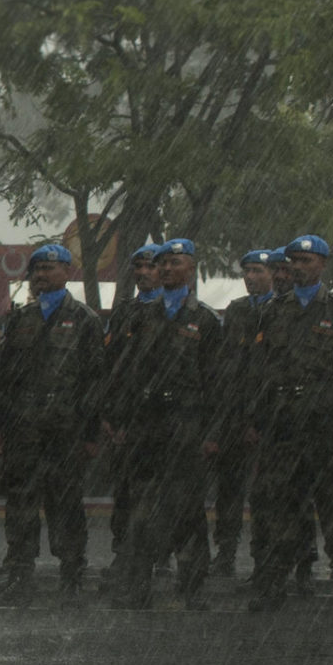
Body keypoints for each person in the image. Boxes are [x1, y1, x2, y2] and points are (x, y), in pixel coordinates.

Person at [0, 244, 104, 603]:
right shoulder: (21, 318)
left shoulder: (85, 319)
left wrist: (90, 432)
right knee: (20, 503)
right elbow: (5, 377)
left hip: (64, 429)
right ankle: (19, 575)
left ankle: (72, 577)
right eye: (36, 269)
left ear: (68, 272)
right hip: (24, 429)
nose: (40, 275)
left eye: (49, 268)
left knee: (65, 503)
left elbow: (95, 380)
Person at [109, 239, 222, 610]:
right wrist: (119, 420)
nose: (166, 269)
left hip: (186, 424)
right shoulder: (140, 317)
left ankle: (192, 587)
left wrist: (211, 433)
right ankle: (137, 586)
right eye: (162, 264)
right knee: (141, 507)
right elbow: (125, 374)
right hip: (146, 423)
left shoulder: (204, 320)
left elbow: (217, 381)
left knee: (188, 508)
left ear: (190, 267)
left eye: (174, 263)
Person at [247, 235, 333, 611]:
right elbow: (258, 370)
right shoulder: (274, 310)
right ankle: (272, 587)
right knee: (279, 509)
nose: (298, 266)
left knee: (331, 508)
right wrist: (255, 418)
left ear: (323, 265)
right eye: (294, 260)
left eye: (306, 260)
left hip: (325, 427)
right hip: (282, 428)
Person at [101, 243, 166, 580]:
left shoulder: (176, 310)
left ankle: (160, 555)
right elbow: (113, 368)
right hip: (128, 416)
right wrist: (112, 417)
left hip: (164, 416)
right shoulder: (124, 312)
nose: (143, 273)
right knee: (125, 490)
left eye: (150, 266)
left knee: (164, 492)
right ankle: (123, 554)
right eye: (138, 267)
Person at [210, 249, 275, 576]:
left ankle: (269, 559)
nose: (251, 277)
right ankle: (226, 551)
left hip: (270, 418)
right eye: (247, 271)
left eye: (258, 271)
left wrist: (259, 418)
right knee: (230, 490)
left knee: (269, 493)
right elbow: (226, 368)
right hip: (234, 415)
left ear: (273, 273)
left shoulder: (282, 310)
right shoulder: (235, 311)